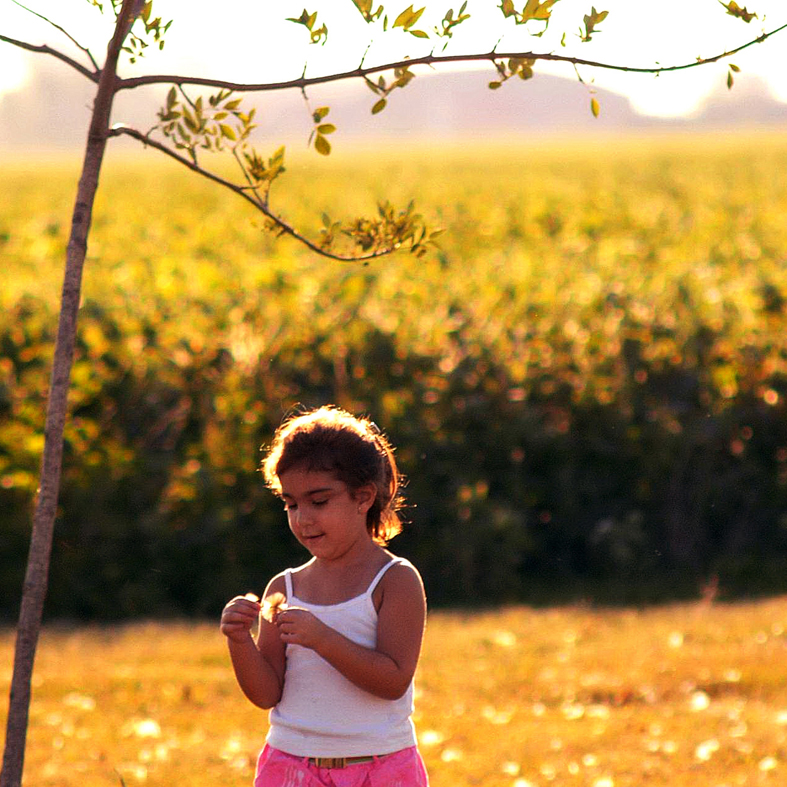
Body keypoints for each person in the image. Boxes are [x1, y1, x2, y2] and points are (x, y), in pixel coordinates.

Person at [220, 405, 429, 787]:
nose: (303, 518)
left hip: (379, 766)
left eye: (319, 502)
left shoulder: (394, 580)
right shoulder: (284, 589)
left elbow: (393, 681)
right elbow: (267, 694)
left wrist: (322, 638)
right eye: (291, 504)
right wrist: (239, 641)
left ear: (363, 497)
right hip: (290, 766)